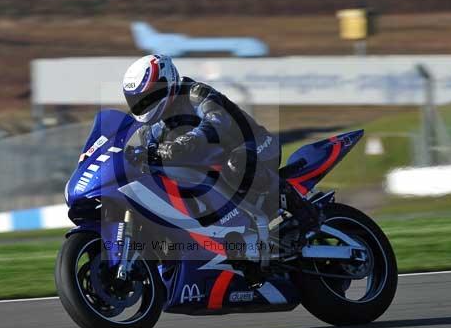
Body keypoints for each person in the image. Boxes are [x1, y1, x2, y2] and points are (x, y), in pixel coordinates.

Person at [121, 54, 317, 248]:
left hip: (256, 144)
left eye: (148, 97)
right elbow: (135, 145)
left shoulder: (196, 93)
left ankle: (301, 210)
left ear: (167, 82)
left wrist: (183, 144)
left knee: (238, 163)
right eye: (138, 100)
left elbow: (216, 121)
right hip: (217, 163)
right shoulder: (152, 126)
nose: (143, 104)